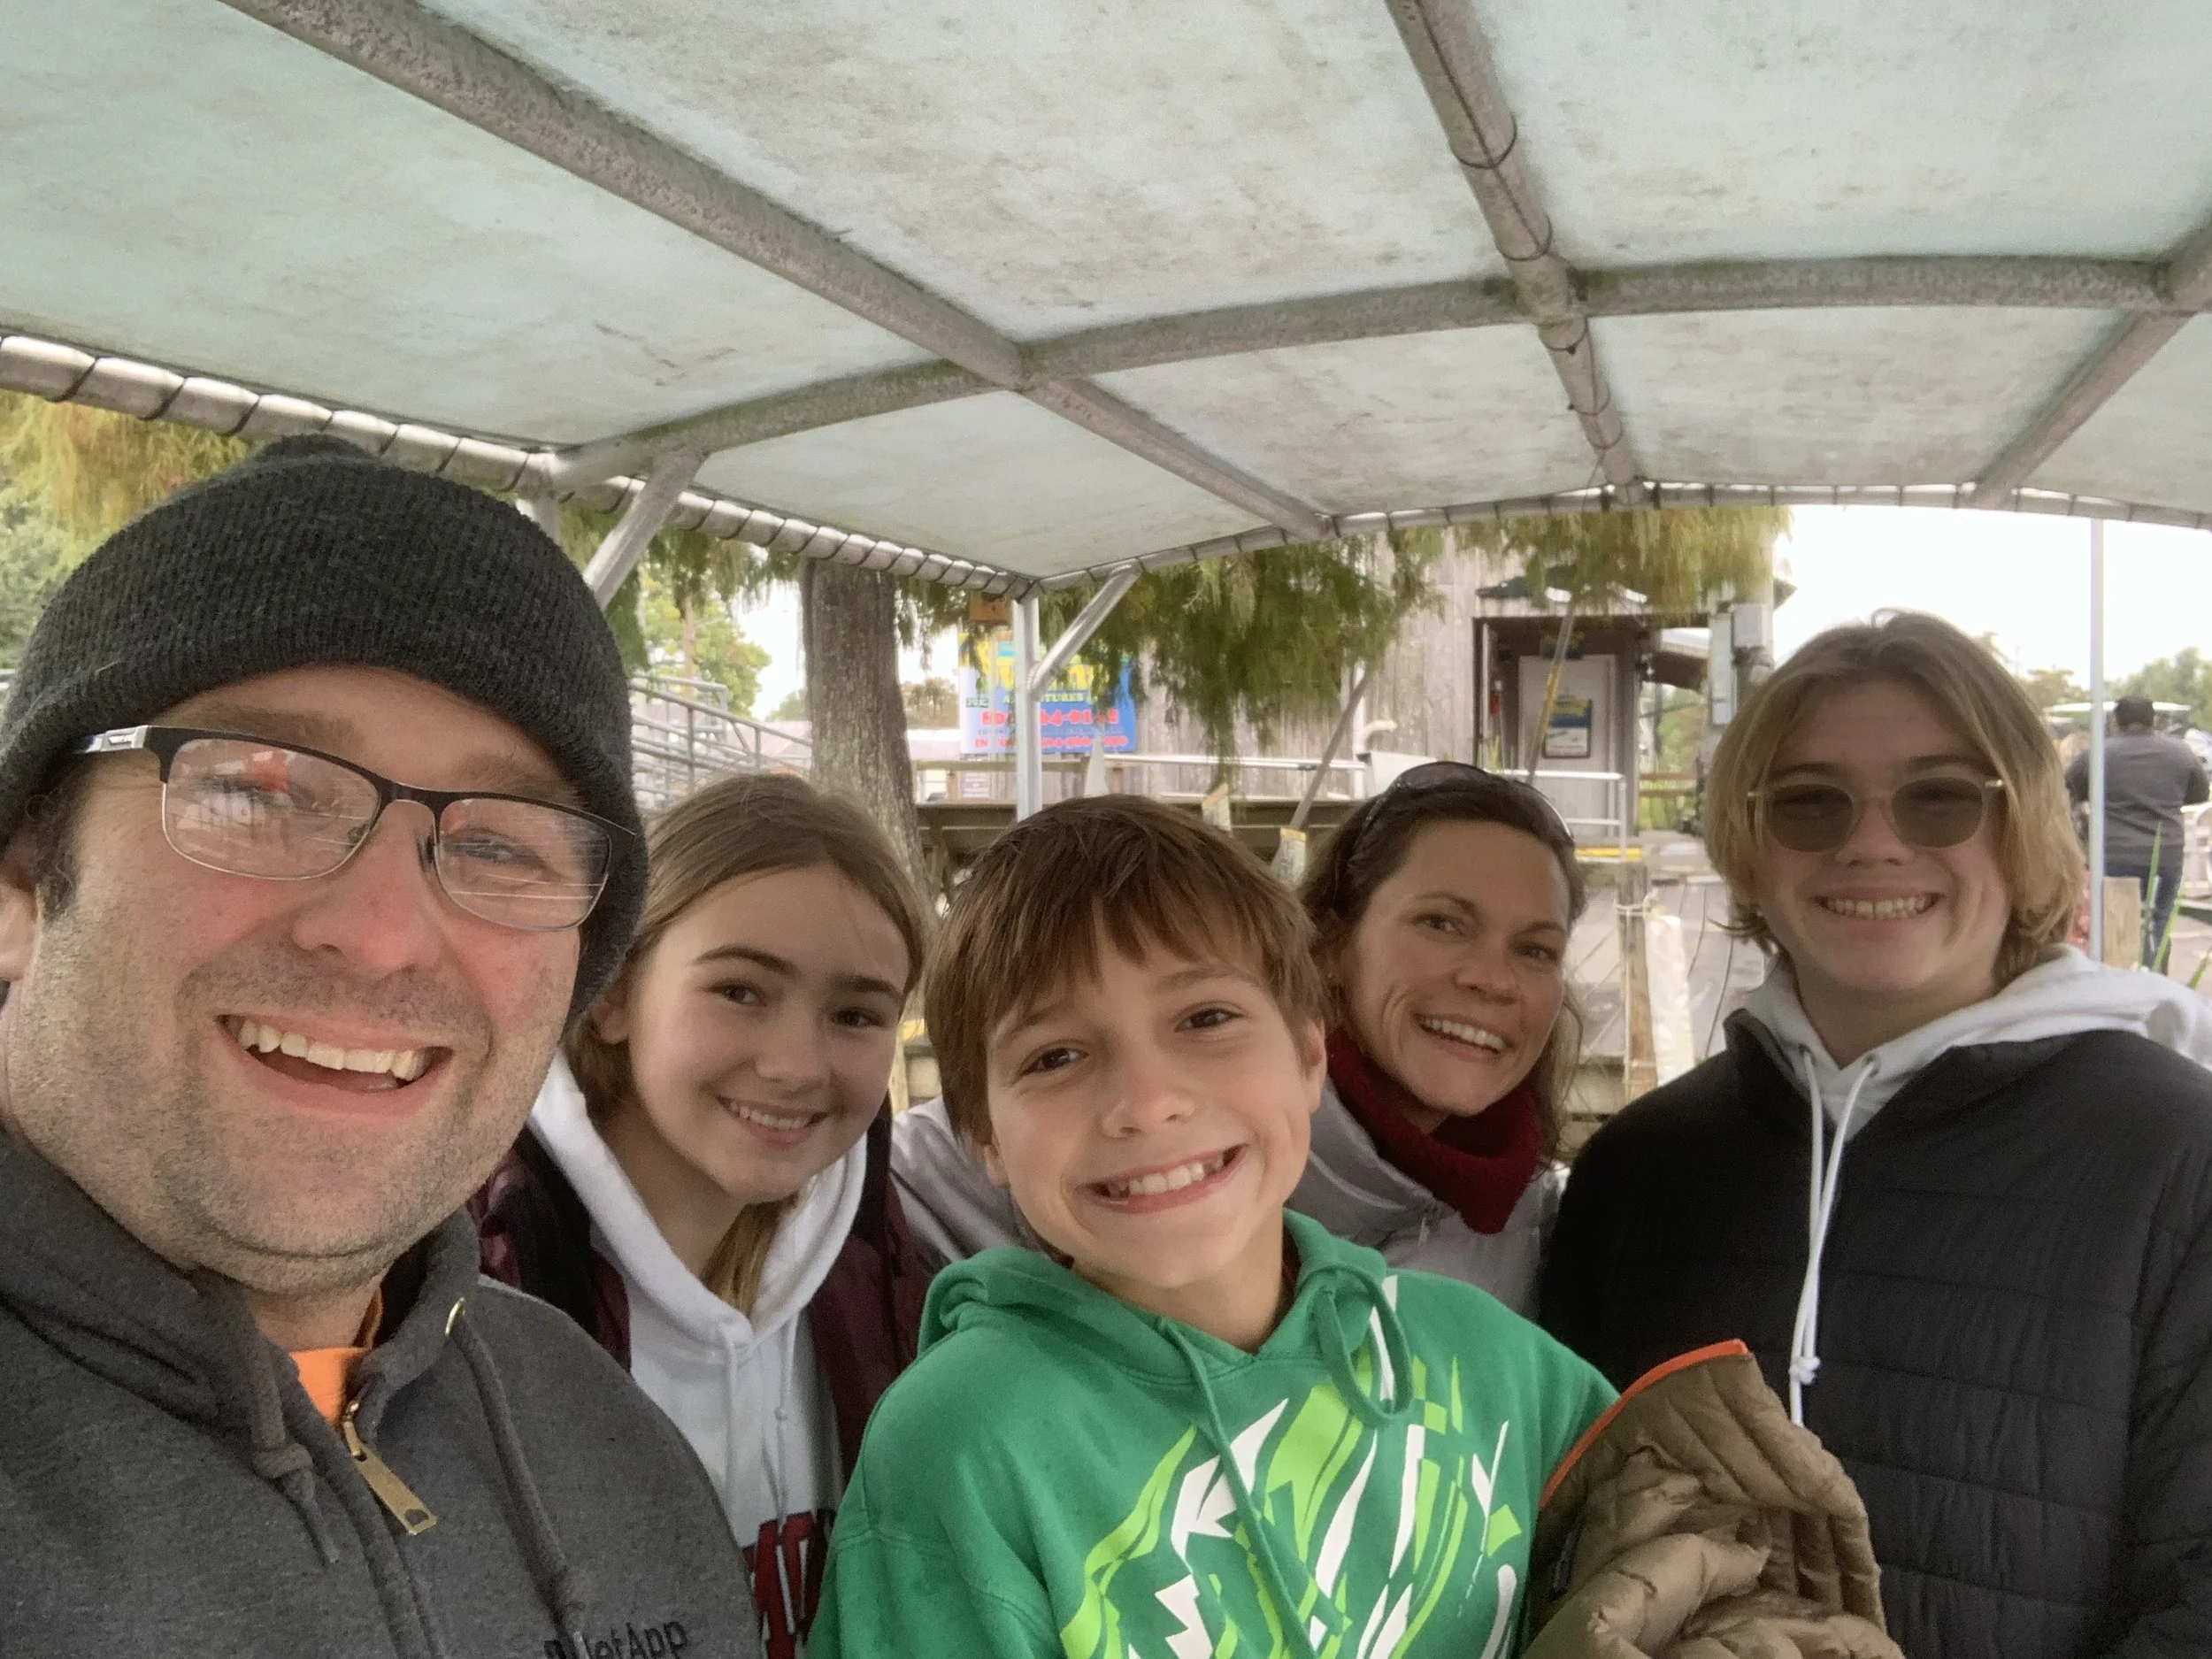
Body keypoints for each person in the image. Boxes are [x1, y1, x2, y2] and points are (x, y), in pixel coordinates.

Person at [0, 436, 761, 1657]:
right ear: (25, 881)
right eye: (257, 792)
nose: (380, 934)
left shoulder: (610, 1451)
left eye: (503, 843)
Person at [1540, 612, 2212, 1659]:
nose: (1871, 841)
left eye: (1939, 797)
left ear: (2024, 830)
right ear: (1749, 849)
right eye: (1809, 802)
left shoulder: (2179, 1155)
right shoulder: (1640, 1170)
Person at [811, 796, 1615, 1658]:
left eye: (1204, 1019)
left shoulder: (1497, 1370)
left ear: (1310, 1054)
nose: (1147, 1103)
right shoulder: (959, 1447)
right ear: (983, 1137)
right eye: (1055, 1056)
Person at [475, 771, 935, 1656]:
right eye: (740, 991)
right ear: (611, 992)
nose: (796, 1065)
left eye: (854, 1013)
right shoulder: (467, 1289)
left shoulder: (889, 1278)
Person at [893, 763, 1585, 1313]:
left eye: (1536, 949)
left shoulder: (1551, 1228)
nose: (1493, 979)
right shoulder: (1062, 1141)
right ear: (1332, 942)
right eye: (1442, 923)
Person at [2065, 692, 2208, 968]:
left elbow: (2071, 787)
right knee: (2158, 923)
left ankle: (2121, 982)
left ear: (2116, 722)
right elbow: (2199, 793)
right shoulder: (2181, 752)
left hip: (2114, 854)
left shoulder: (2099, 753)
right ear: (2154, 720)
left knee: (2116, 924)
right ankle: (2155, 980)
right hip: (2165, 852)